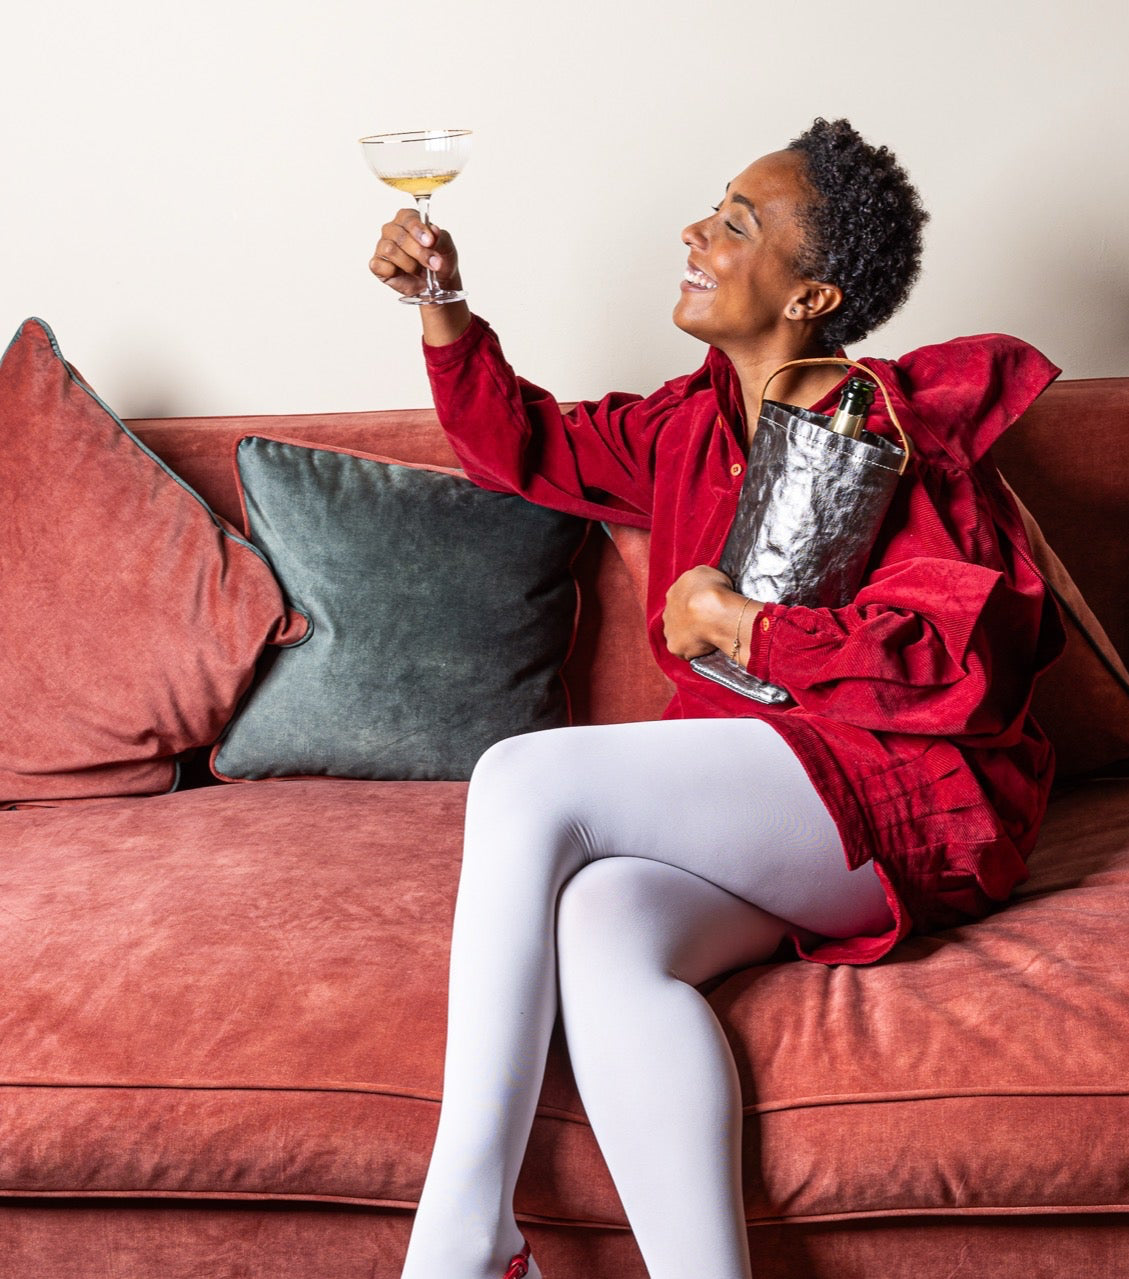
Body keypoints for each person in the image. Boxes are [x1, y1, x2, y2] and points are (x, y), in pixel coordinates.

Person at [368, 117, 1065, 1279]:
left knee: (524, 775)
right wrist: (441, 300)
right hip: (774, 810)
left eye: (737, 225)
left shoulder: (885, 429)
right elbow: (522, 444)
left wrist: (747, 626)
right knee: (603, 923)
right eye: (713, 208)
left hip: (902, 798)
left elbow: (960, 661)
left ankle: (462, 1234)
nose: (695, 232)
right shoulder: (684, 426)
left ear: (812, 294)